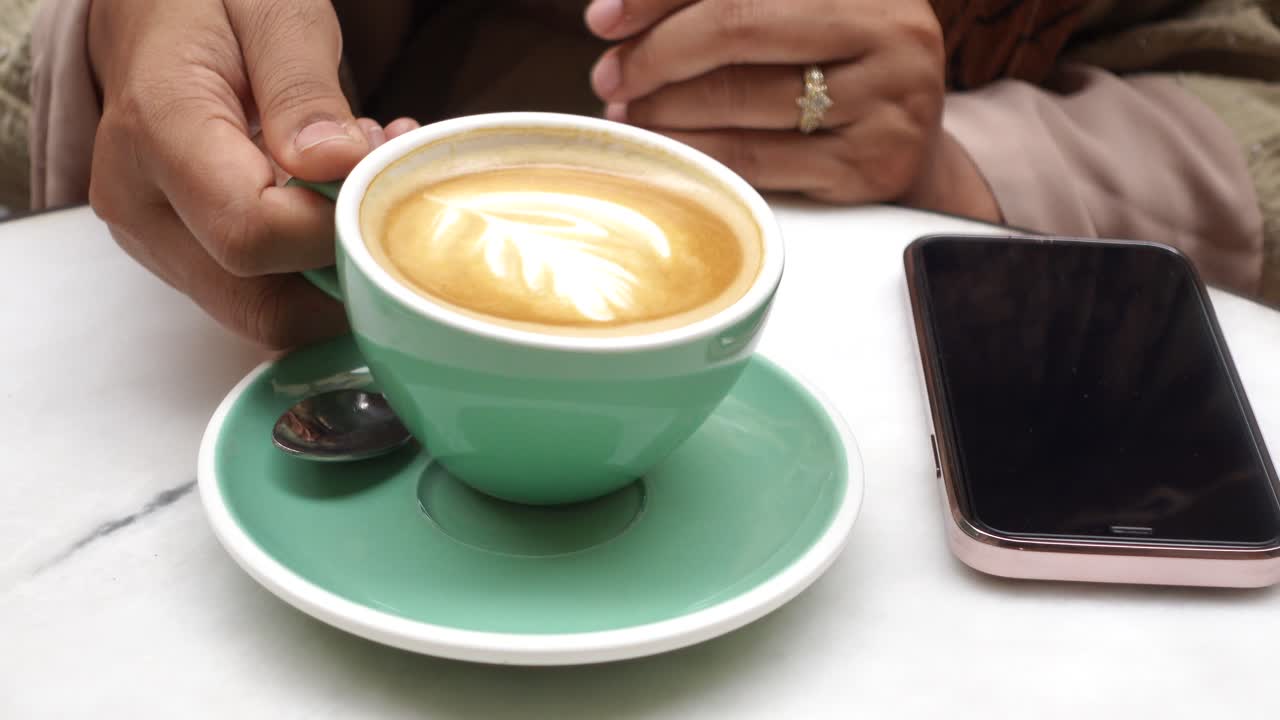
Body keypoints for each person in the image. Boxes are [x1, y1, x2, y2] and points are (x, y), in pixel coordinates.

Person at [8, 0, 1279, 347]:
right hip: (216, 344)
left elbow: (1243, 81)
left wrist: (960, 159)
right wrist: (123, 31)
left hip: (914, 352)